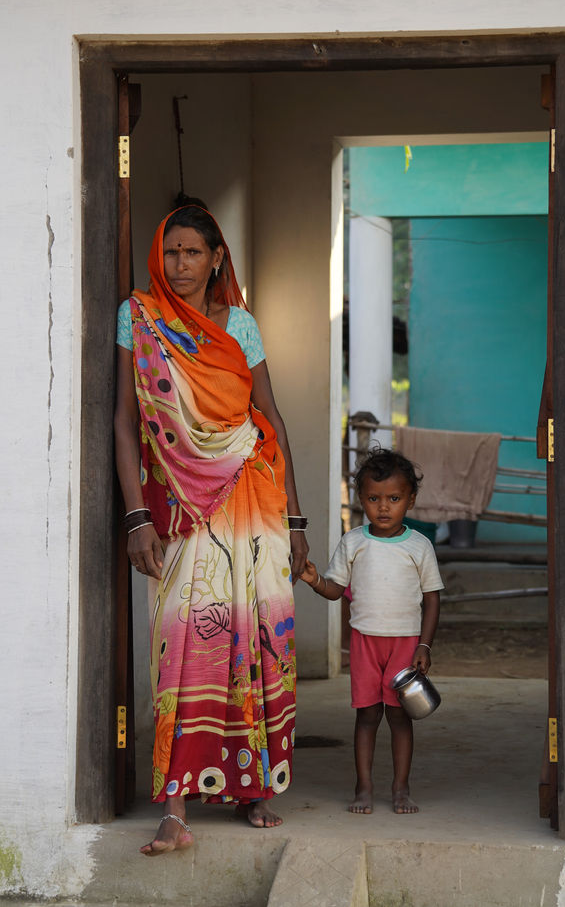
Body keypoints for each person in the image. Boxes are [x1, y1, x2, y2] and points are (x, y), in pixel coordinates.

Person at [114, 205, 308, 854]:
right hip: (179, 508)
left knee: (253, 639)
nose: (180, 264)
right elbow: (123, 420)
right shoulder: (138, 317)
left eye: (193, 252)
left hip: (253, 497)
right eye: (170, 252)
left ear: (216, 257)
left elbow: (268, 413)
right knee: (186, 643)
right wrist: (136, 514)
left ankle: (253, 785)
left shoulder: (241, 326)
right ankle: (174, 806)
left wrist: (298, 517)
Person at [300, 448, 443, 814]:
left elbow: (432, 599)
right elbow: (335, 590)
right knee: (366, 716)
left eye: (394, 499)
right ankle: (363, 787)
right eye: (374, 498)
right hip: (365, 643)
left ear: (410, 499)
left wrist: (424, 645)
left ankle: (400, 788)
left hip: (405, 644)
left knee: (399, 717)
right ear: (361, 499)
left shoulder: (419, 546)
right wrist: (315, 579)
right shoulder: (353, 542)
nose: (383, 507)